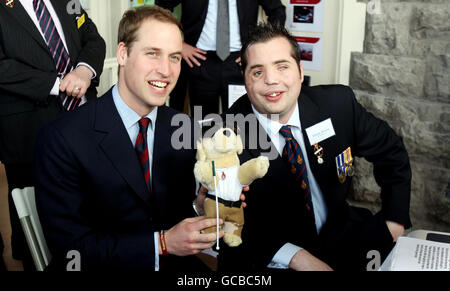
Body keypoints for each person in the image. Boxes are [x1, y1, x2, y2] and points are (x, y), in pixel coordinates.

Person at [34, 6, 224, 271]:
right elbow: (71, 251)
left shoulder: (186, 129)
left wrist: (199, 206)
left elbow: (173, 215)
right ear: (122, 54)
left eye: (175, 57)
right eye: (152, 54)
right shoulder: (62, 138)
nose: (166, 71)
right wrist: (162, 244)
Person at [220, 23, 411, 271]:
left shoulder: (338, 104)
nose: (271, 80)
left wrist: (395, 219)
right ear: (245, 80)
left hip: (341, 236)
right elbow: (229, 222)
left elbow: (391, 151)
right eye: (257, 72)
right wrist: (297, 257)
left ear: (300, 71)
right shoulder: (224, 137)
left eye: (282, 66)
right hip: (272, 255)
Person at [0, 0, 106, 270]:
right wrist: (58, 84)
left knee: (92, 196)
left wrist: (84, 70)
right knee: (33, 209)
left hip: (83, 117)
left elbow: (92, 38)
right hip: (28, 126)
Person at [156, 0, 286, 117]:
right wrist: (179, 44)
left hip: (240, 63)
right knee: (203, 123)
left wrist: (259, 48)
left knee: (241, 122)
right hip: (199, 61)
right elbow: (161, 6)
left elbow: (277, 11)